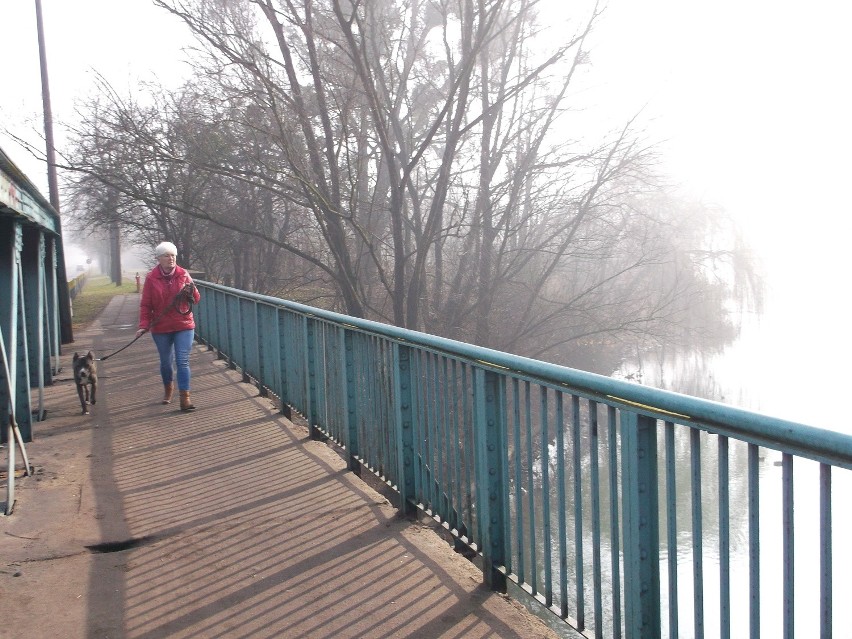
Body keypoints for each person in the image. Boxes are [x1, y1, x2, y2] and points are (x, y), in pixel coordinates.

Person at [135, 241, 202, 411]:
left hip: (183, 325)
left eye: (172, 255)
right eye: (166, 255)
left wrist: (191, 291)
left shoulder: (184, 274)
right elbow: (145, 305)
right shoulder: (151, 278)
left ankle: (185, 398)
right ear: (159, 259)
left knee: (182, 360)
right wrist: (143, 325)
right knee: (166, 362)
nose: (170, 258)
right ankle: (168, 390)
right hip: (161, 327)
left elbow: (197, 299)